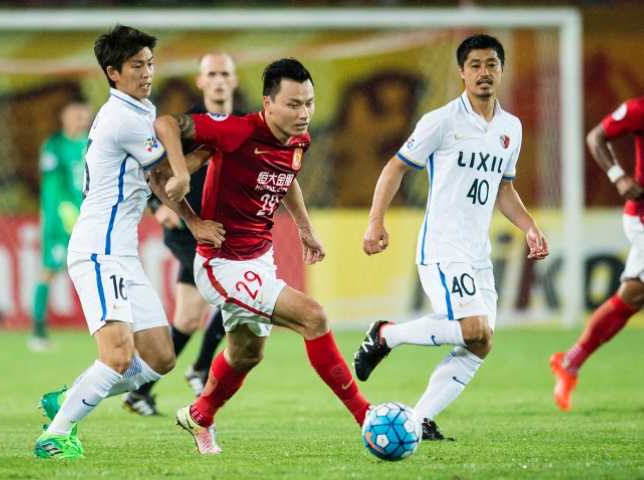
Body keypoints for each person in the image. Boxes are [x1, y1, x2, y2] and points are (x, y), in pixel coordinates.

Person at [152, 57, 372, 454]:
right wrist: (191, 211)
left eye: (309, 103)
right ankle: (367, 417)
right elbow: (166, 123)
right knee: (313, 316)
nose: (303, 113)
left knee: (246, 353)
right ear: (267, 104)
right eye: (293, 104)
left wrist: (305, 230)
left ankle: (199, 416)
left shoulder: (297, 138)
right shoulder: (236, 130)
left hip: (258, 258)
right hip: (220, 262)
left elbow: (287, 179)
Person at [33, 24, 222, 459]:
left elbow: (160, 181)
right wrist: (217, 144)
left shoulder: (139, 110)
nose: (147, 72)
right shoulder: (122, 118)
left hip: (122, 253)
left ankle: (71, 396)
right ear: (113, 72)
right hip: (98, 250)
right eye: (137, 65)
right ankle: (55, 435)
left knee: (159, 358)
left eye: (150, 64)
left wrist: (193, 219)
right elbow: (172, 176)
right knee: (117, 356)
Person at [353, 34, 549, 441]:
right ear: (461, 72)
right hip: (443, 246)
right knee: (474, 329)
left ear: (501, 70)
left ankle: (418, 419)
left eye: (491, 64)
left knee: (481, 342)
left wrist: (529, 226)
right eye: (474, 65)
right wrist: (375, 221)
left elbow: (503, 189)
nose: (483, 72)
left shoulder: (510, 128)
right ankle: (386, 334)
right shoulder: (441, 121)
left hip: (478, 252)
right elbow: (395, 167)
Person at [122, 52, 243, 415]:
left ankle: (140, 391)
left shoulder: (245, 124)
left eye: (225, 73)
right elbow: (151, 169)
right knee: (236, 293)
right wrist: (156, 207)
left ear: (234, 81)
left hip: (220, 229)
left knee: (190, 318)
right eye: (212, 74)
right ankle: (202, 366)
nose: (219, 80)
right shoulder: (186, 125)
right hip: (189, 227)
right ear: (201, 81)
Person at [550, 96, 644, 411]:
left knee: (632, 296)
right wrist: (618, 175)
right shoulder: (638, 109)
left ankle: (571, 362)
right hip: (643, 218)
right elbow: (596, 137)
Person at [29, 99, 92, 353]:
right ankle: (38, 329)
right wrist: (67, 210)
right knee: (49, 270)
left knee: (96, 269)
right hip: (59, 222)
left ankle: (107, 327)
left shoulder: (93, 142)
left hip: (88, 219)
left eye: (84, 112)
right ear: (64, 116)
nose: (81, 117)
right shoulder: (54, 145)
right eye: (75, 113)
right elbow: (53, 185)